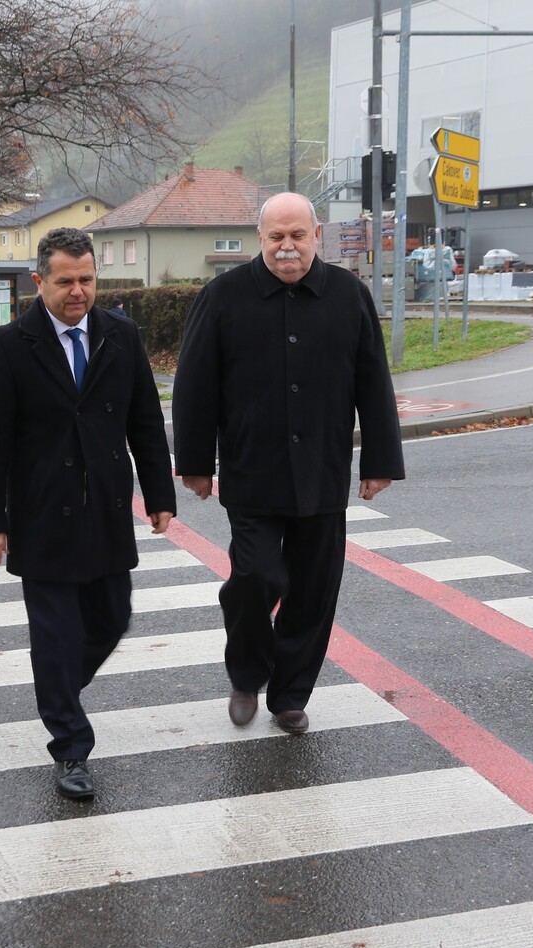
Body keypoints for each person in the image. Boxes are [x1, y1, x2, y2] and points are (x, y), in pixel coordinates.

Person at [171, 192, 405, 735]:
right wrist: (195, 462)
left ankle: (290, 695)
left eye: (297, 235)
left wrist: (379, 462)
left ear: (316, 235)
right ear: (260, 238)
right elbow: (195, 384)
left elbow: (373, 382)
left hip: (323, 470)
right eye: (276, 236)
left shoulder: (348, 295)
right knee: (256, 577)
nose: (286, 246)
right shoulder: (224, 296)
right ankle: (246, 675)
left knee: (313, 590)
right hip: (252, 469)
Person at [0, 227, 176, 799]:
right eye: (65, 281)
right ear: (40, 282)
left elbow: (144, 422)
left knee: (111, 619)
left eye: (86, 279)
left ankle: (57, 689)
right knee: (57, 636)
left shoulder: (121, 336)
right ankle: (70, 748)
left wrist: (160, 495)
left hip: (106, 511)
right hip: (40, 516)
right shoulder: (9, 345)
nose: (78, 291)